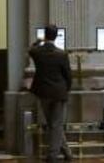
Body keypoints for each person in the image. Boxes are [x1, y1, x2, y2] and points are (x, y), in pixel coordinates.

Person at [29, 25, 72, 162]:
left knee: (53, 124)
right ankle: (52, 156)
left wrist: (38, 41)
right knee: (56, 125)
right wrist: (66, 89)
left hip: (43, 93)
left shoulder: (37, 52)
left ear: (45, 35)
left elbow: (30, 49)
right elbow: (68, 76)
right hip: (59, 93)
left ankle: (67, 154)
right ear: (57, 36)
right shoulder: (62, 54)